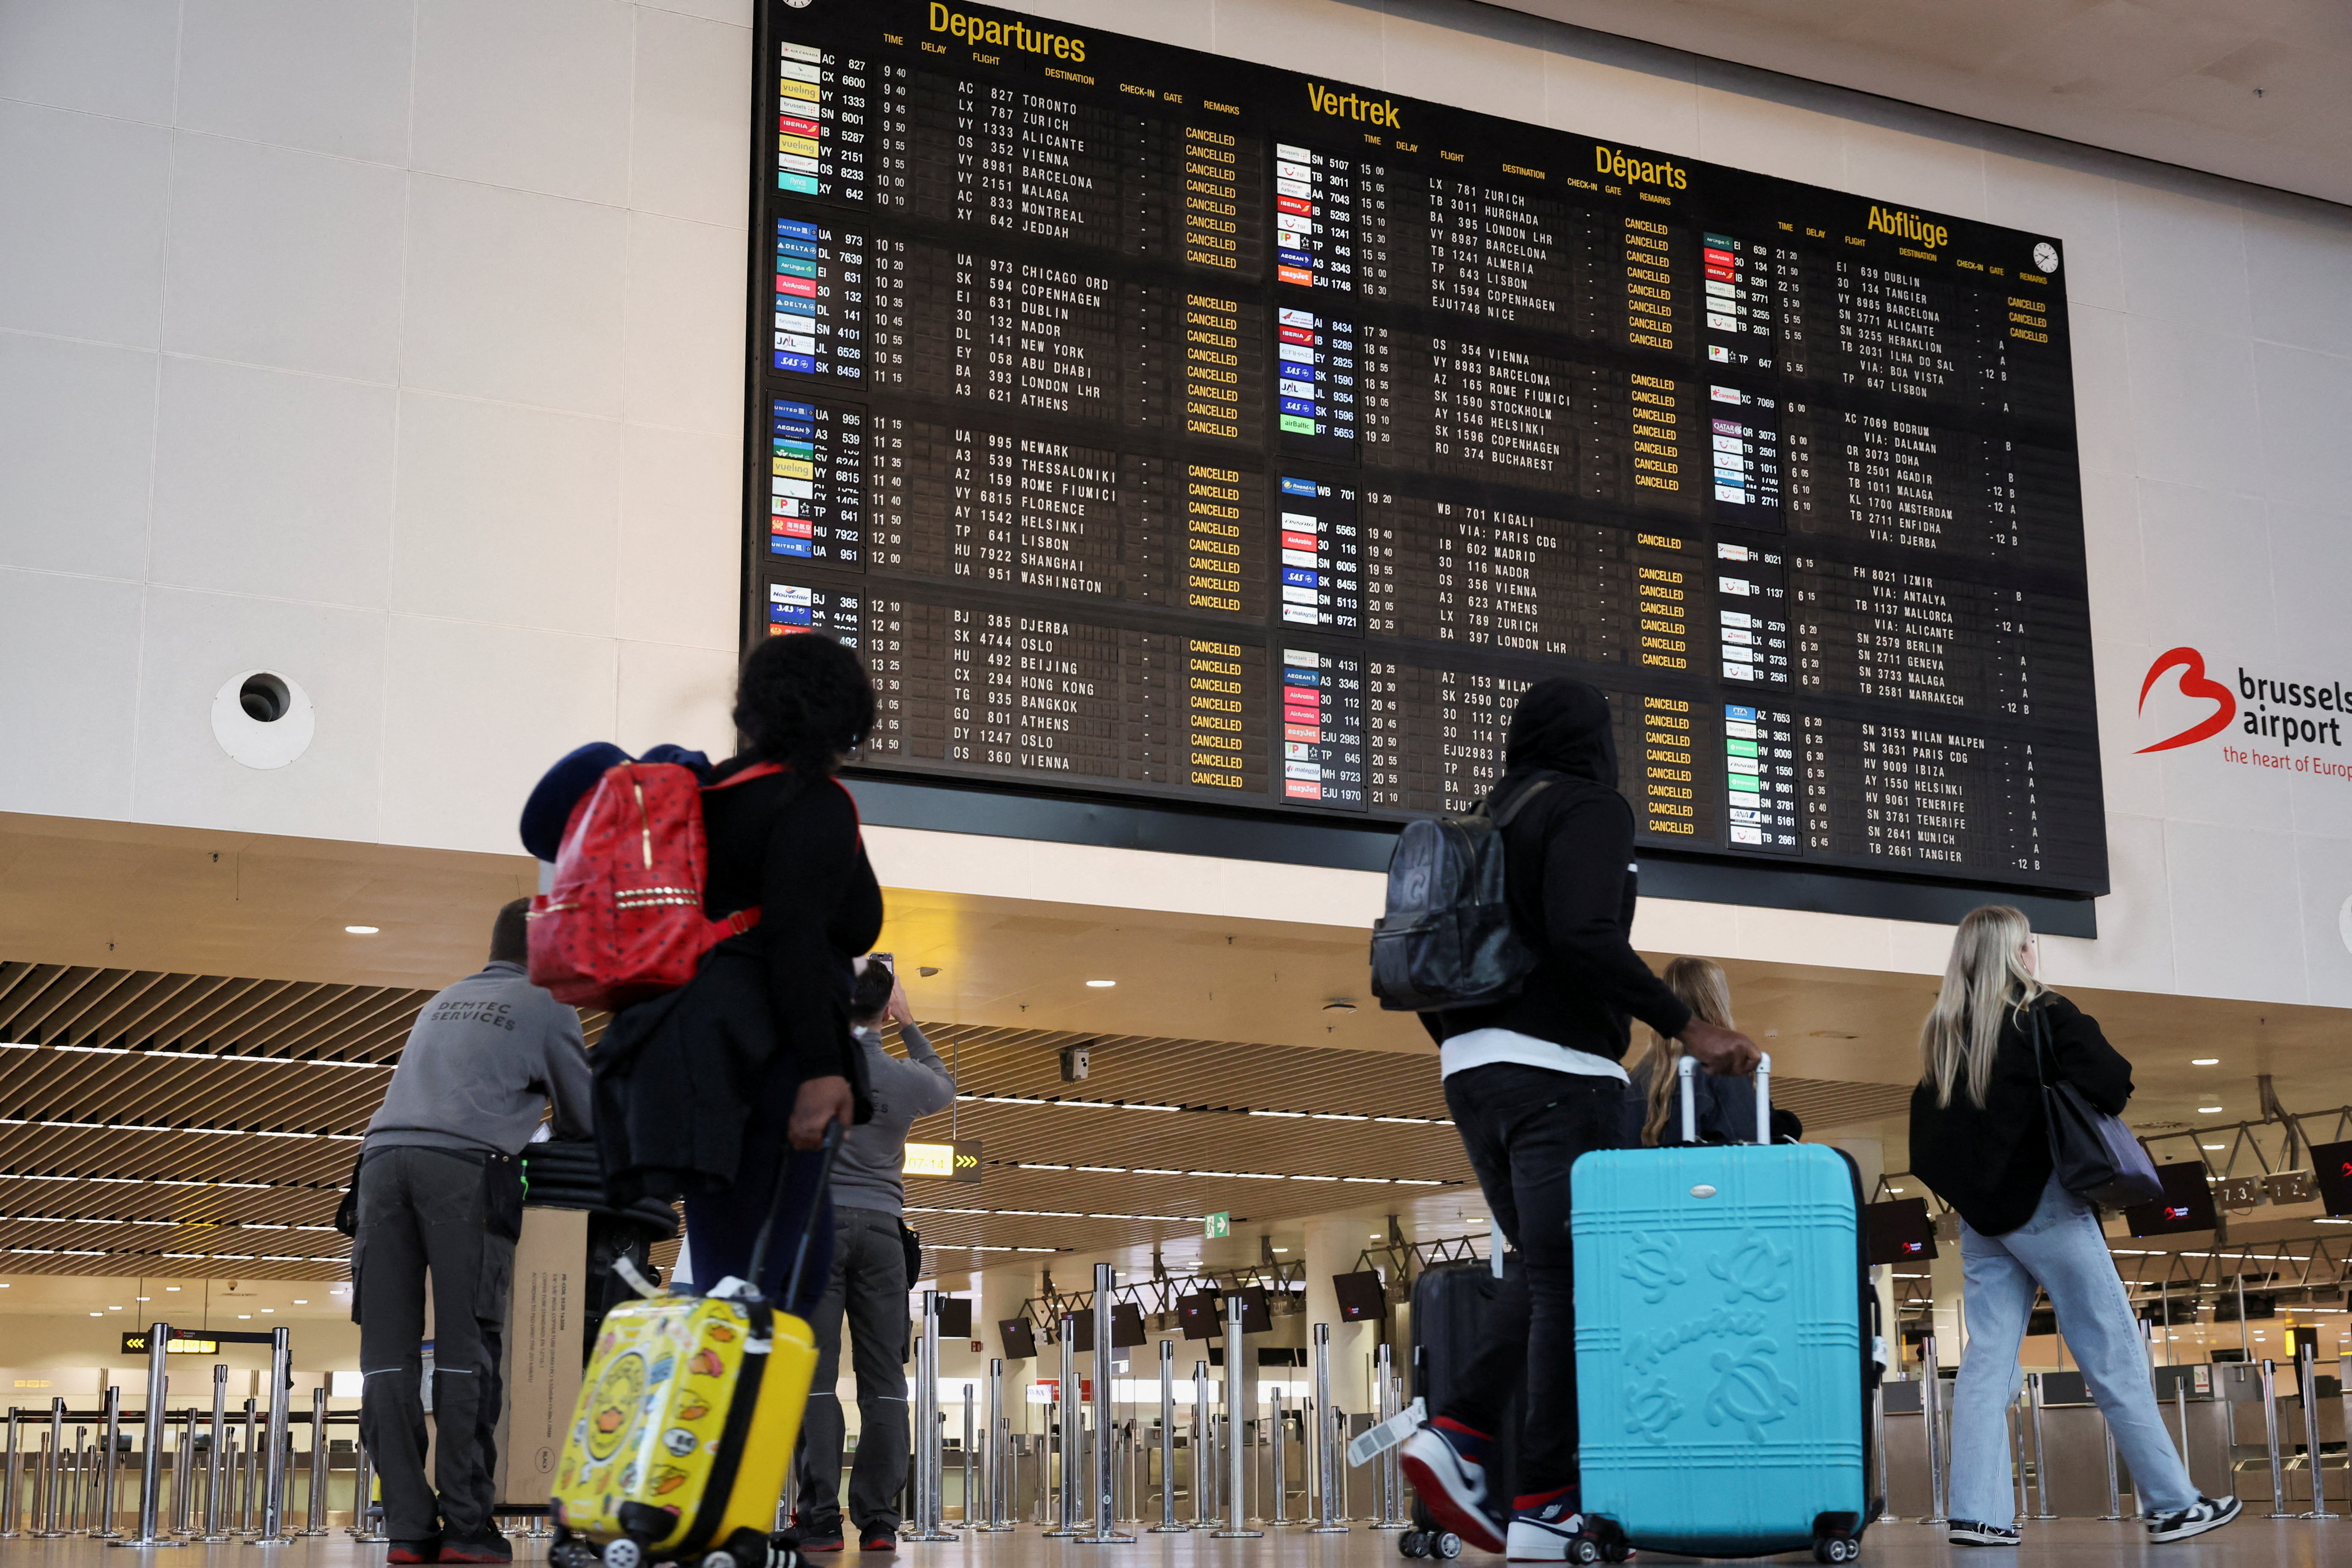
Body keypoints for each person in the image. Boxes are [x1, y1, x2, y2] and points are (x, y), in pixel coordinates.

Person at [1396, 679, 1759, 1561]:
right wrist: (1687, 1027)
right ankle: (1522, 1477)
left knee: (1547, 1269)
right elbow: (1585, 936)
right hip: (1558, 1076)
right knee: (1569, 1283)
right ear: (1593, 740)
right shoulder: (1589, 806)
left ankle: (1498, 1468)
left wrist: (1473, 1044)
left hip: (1470, 1074)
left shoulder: (1486, 818)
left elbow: (1417, 959)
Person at [1908, 905, 2239, 1547]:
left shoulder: (1943, 1034)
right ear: (2018, 952)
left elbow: (1929, 1140)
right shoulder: (2043, 1013)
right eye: (2030, 942)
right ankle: (2173, 1503)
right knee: (2111, 1349)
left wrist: (1979, 1198)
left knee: (1986, 1364)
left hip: (1983, 1226)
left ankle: (1979, 1512)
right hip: (2049, 1207)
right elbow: (2115, 1084)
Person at [355, 899, 593, 1565]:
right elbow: (584, 1118)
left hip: (377, 1166)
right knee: (465, 1347)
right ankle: (466, 1525)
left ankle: (406, 1526)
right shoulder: (549, 1003)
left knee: (387, 1355)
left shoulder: (443, 998)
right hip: (461, 1170)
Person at [793, 958, 956, 1552]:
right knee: (884, 1378)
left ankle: (819, 1517)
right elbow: (944, 1083)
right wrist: (910, 1023)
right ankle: (880, 1520)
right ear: (887, 1010)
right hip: (885, 1233)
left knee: (813, 1376)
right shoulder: (905, 1078)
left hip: (817, 1228)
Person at [1622, 956, 1759, 1146]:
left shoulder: (1635, 1080)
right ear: (1718, 1000)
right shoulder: (1723, 1069)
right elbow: (1747, 1146)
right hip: (1707, 1174)